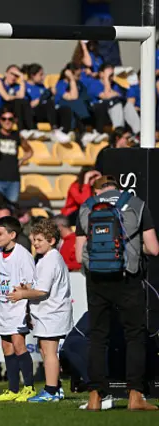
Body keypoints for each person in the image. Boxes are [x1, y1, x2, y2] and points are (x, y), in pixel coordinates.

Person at [75, 175, 159, 411]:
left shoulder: (86, 208)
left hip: (96, 280)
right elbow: (153, 248)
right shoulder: (136, 204)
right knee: (135, 335)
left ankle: (95, 396)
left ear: (97, 190)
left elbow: (79, 253)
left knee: (98, 337)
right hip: (128, 277)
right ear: (118, 188)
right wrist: (132, 247)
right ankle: (135, 395)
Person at [8, 219, 73, 402]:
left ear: (51, 240)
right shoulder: (46, 259)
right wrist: (26, 287)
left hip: (52, 313)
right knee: (44, 350)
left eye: (39, 240)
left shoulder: (51, 259)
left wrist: (23, 294)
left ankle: (51, 391)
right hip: (47, 313)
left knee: (49, 351)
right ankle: (56, 388)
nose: (35, 244)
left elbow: (42, 291)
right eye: (34, 240)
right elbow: (39, 286)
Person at [0, 216, 36, 402]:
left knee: (18, 345)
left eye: (0, 233)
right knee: (6, 347)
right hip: (3, 309)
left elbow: (31, 284)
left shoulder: (23, 255)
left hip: (18, 307)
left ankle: (29, 388)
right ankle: (13, 389)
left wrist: (23, 298)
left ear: (12, 235)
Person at [0, 108, 33, 203]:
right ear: (0, 120)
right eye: (4, 119)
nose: (7, 121)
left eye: (10, 119)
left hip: (13, 180)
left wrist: (21, 160)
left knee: (11, 210)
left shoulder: (18, 136)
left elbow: (29, 151)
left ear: (15, 120)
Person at [23, 63, 72, 143]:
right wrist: (44, 96)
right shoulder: (25, 86)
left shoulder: (41, 86)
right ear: (32, 75)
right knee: (48, 103)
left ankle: (64, 131)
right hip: (35, 113)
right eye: (41, 75)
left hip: (47, 112)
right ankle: (55, 130)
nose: (43, 77)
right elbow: (30, 105)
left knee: (65, 109)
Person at [87, 64, 140, 138]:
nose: (111, 77)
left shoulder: (115, 85)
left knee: (128, 105)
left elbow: (119, 96)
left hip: (113, 109)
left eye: (112, 74)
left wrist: (113, 93)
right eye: (109, 74)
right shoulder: (94, 84)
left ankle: (138, 132)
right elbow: (107, 96)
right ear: (101, 74)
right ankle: (119, 130)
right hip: (99, 111)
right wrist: (106, 79)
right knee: (116, 103)